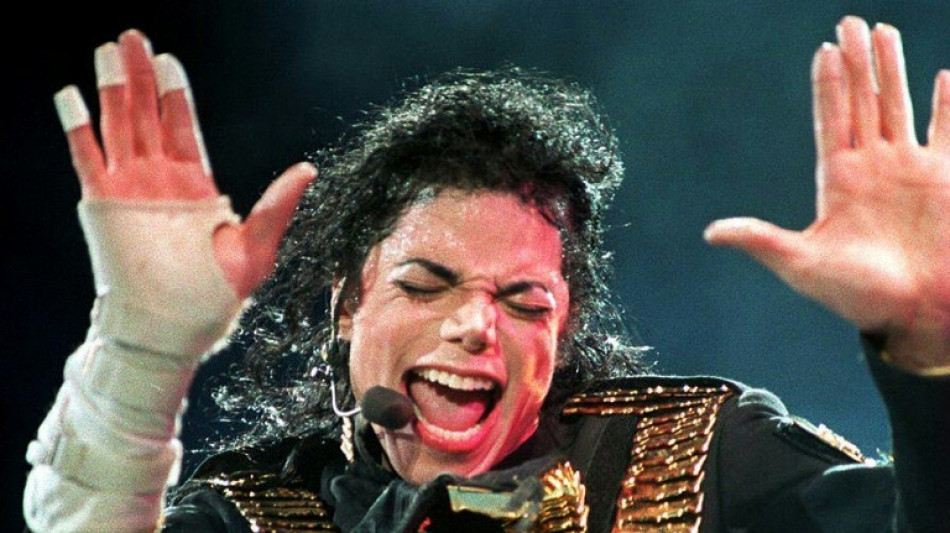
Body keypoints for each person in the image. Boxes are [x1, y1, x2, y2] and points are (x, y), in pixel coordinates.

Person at [22, 15, 950, 533]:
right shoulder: (252, 517)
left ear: (562, 330)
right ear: (347, 305)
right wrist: (141, 354)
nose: (475, 324)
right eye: (425, 284)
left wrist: (928, 347)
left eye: (523, 299)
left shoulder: (701, 456)